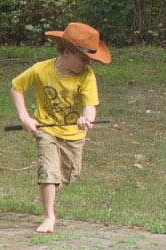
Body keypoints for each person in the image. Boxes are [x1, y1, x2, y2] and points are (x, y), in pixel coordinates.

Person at [10, 20, 111, 235]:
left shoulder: (86, 76)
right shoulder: (40, 70)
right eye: (83, 59)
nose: (86, 64)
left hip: (74, 135)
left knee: (66, 176)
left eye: (89, 60)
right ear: (67, 52)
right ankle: (49, 217)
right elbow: (16, 87)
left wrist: (87, 119)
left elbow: (90, 106)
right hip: (46, 130)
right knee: (48, 171)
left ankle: (54, 186)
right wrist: (25, 117)